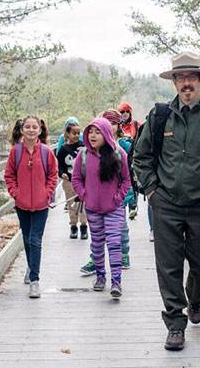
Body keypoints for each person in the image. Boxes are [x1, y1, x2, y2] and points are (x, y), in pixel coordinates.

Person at [133, 51, 200, 350]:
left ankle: (196, 296)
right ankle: (175, 323)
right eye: (181, 78)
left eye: (192, 77)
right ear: (174, 82)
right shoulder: (159, 116)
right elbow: (140, 157)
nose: (187, 83)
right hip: (165, 202)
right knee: (168, 266)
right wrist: (152, 190)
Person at [71, 117, 132, 299]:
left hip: (114, 208)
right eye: (90, 132)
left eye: (97, 132)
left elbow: (127, 180)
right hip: (92, 209)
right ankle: (100, 276)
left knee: (114, 244)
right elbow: (76, 178)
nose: (93, 136)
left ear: (106, 134)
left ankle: (116, 281)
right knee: (97, 245)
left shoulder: (119, 154)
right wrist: (84, 195)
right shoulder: (83, 155)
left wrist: (118, 198)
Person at [4, 115, 58, 299]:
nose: (31, 130)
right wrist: (16, 193)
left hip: (41, 204)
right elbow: (9, 175)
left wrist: (47, 192)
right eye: (27, 127)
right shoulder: (16, 152)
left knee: (35, 240)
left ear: (40, 130)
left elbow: (53, 174)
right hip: (22, 204)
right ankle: (31, 265)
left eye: (34, 127)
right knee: (26, 239)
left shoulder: (46, 151)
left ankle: (35, 280)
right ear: (21, 130)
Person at [79, 110, 134, 273]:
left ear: (119, 126)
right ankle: (94, 259)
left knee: (120, 229)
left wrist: (123, 197)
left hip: (118, 198)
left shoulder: (124, 146)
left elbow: (127, 174)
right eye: (106, 122)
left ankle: (124, 255)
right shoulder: (95, 145)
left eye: (113, 123)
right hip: (97, 199)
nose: (110, 126)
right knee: (96, 232)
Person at [56, 121, 87, 239]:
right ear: (67, 134)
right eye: (74, 133)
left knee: (83, 204)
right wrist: (62, 174)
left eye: (78, 133)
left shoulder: (84, 146)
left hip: (83, 181)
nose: (76, 135)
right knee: (72, 204)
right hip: (69, 181)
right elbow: (59, 165)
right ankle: (73, 226)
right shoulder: (63, 149)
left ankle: (84, 227)